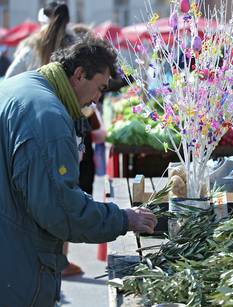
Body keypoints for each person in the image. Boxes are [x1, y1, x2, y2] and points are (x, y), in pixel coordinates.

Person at [0, 37, 157, 307]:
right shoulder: (49, 116)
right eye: (99, 88)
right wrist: (122, 219)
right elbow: (61, 210)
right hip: (16, 264)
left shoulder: (19, 85)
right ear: (79, 75)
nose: (98, 98)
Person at [4, 1, 76, 78]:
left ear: (42, 22)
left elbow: (10, 76)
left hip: (33, 88)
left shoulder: (30, 47)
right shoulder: (74, 47)